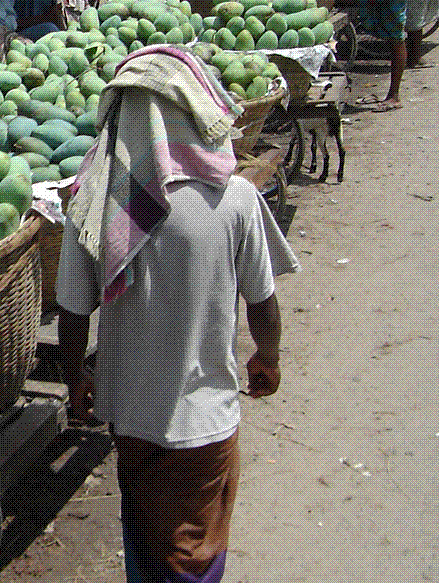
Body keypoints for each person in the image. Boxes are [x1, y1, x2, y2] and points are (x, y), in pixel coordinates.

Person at [57, 45, 297, 583]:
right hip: (206, 422)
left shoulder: (94, 203)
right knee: (196, 555)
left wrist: (76, 383)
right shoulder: (233, 198)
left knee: (146, 542)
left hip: (134, 424)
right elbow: (263, 300)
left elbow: (71, 309)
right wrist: (269, 359)